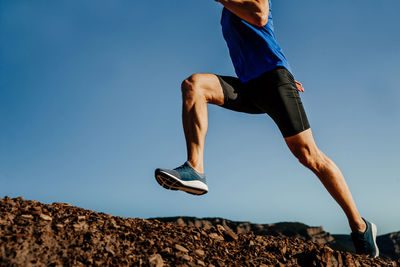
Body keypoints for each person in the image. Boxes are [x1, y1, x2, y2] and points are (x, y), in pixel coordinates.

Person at [154, 0, 379, 257]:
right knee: (194, 85)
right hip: (249, 87)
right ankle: (195, 169)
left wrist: (284, 75)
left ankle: (359, 226)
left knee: (308, 155)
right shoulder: (228, 11)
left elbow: (260, 16)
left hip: (274, 81)